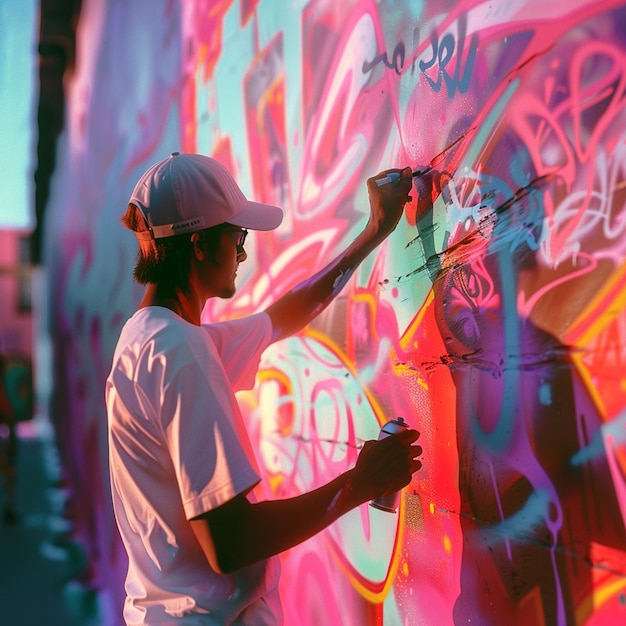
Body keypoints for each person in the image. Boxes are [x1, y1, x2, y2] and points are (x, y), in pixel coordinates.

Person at [106, 151, 422, 625]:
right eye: (237, 237)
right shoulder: (179, 352)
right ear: (197, 245)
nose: (243, 252)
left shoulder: (151, 337)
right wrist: (362, 483)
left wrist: (373, 232)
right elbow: (229, 543)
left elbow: (281, 318)